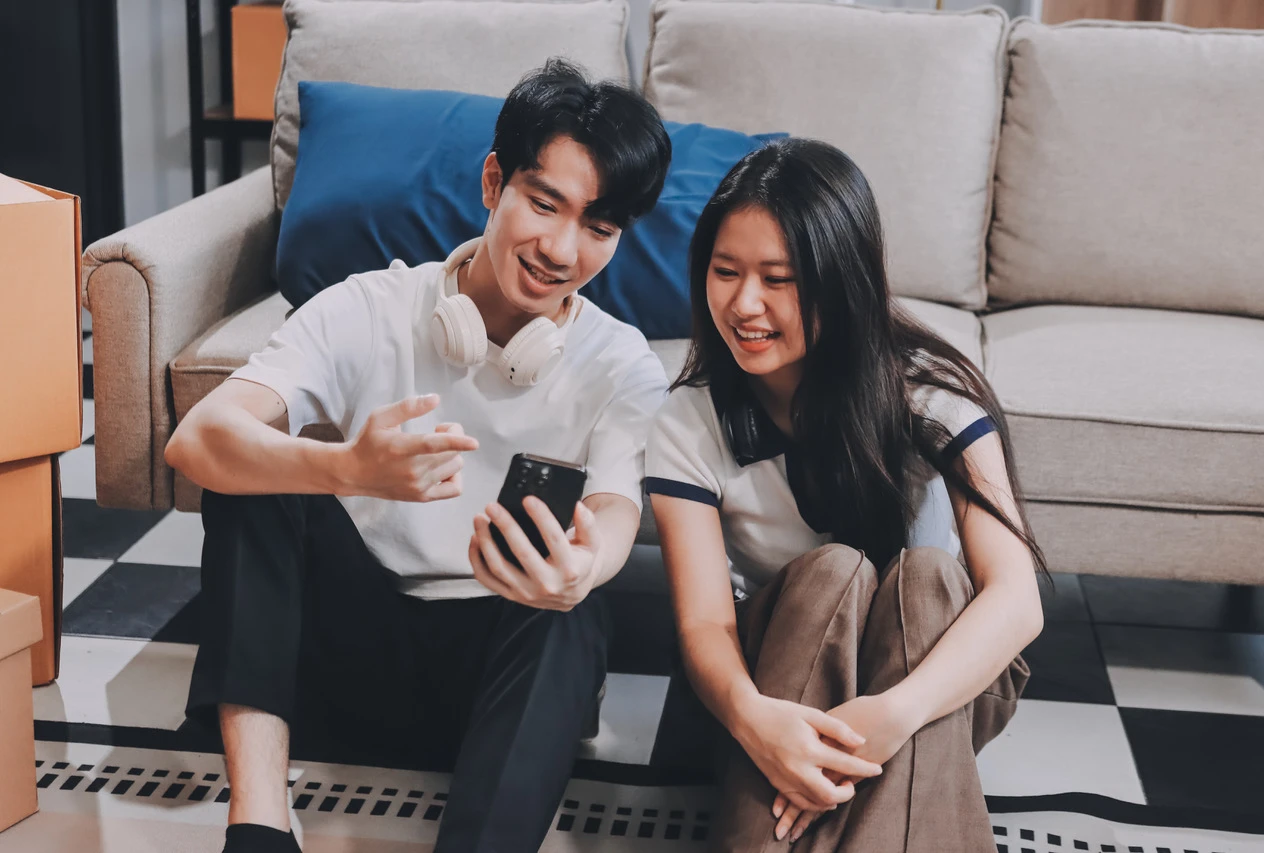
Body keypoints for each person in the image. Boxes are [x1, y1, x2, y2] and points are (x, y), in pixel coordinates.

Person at [165, 59, 673, 853]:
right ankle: (260, 827)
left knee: (574, 610)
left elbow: (615, 503)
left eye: (599, 227)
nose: (562, 248)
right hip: (348, 655)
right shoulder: (366, 309)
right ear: (493, 181)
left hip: (499, 687)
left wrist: (585, 563)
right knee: (255, 475)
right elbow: (196, 439)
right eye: (544, 203)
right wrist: (341, 468)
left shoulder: (622, 363)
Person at [644, 138, 1042, 853]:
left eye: (781, 278)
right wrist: (753, 719)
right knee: (831, 572)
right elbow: (704, 625)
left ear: (842, 280)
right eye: (725, 271)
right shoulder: (688, 419)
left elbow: (1016, 597)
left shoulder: (930, 390)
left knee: (926, 579)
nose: (745, 303)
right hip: (778, 676)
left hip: (935, 673)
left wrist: (895, 712)